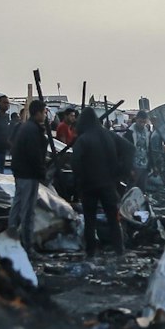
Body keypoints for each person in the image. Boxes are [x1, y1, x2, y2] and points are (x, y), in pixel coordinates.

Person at [71, 108, 125, 256]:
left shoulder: (83, 139)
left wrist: (80, 178)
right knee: (113, 218)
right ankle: (119, 249)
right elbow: (122, 153)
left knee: (90, 220)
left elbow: (75, 162)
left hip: (89, 186)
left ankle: (90, 251)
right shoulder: (108, 136)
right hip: (107, 184)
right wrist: (118, 174)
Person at [9, 99, 50, 252]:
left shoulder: (26, 128)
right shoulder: (33, 130)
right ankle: (27, 246)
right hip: (28, 174)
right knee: (27, 211)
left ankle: (11, 240)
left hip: (21, 173)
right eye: (44, 112)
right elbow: (35, 155)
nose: (45, 115)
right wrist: (41, 172)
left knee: (18, 206)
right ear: (38, 113)